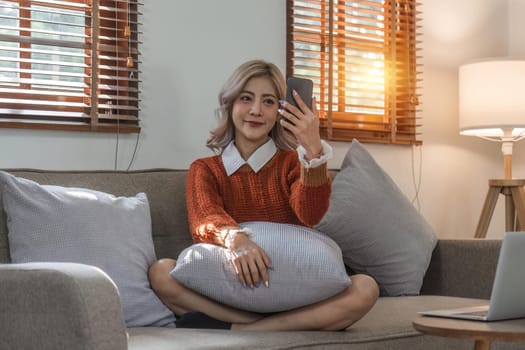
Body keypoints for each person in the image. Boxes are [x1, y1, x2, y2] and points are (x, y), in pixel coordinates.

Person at [148, 59, 379, 331]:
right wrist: (236, 239)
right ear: (231, 104)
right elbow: (204, 219)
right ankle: (275, 326)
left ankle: (245, 330)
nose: (256, 110)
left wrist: (313, 152)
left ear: (281, 111)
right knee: (160, 272)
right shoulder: (206, 169)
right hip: (230, 293)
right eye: (246, 98)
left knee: (366, 287)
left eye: (269, 102)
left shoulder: (295, 163)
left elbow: (311, 214)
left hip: (298, 294)